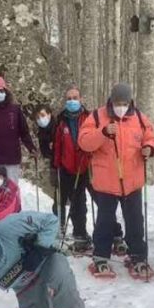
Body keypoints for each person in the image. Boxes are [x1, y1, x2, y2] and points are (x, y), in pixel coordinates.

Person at [78, 83, 154, 279]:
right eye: (117, 102)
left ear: (130, 102)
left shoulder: (139, 117)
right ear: (111, 101)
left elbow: (151, 137)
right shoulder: (97, 116)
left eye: (124, 102)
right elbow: (84, 142)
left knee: (135, 221)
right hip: (106, 182)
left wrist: (149, 147)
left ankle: (138, 256)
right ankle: (100, 256)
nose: (120, 106)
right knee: (105, 222)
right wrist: (102, 133)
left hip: (132, 181)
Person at [47, 87, 93, 251]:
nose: (72, 101)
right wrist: (55, 167)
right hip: (65, 168)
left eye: (75, 97)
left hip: (84, 167)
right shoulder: (60, 120)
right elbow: (57, 146)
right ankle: (56, 230)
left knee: (79, 204)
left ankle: (81, 235)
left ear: (81, 99)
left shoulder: (89, 118)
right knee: (58, 202)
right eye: (69, 98)